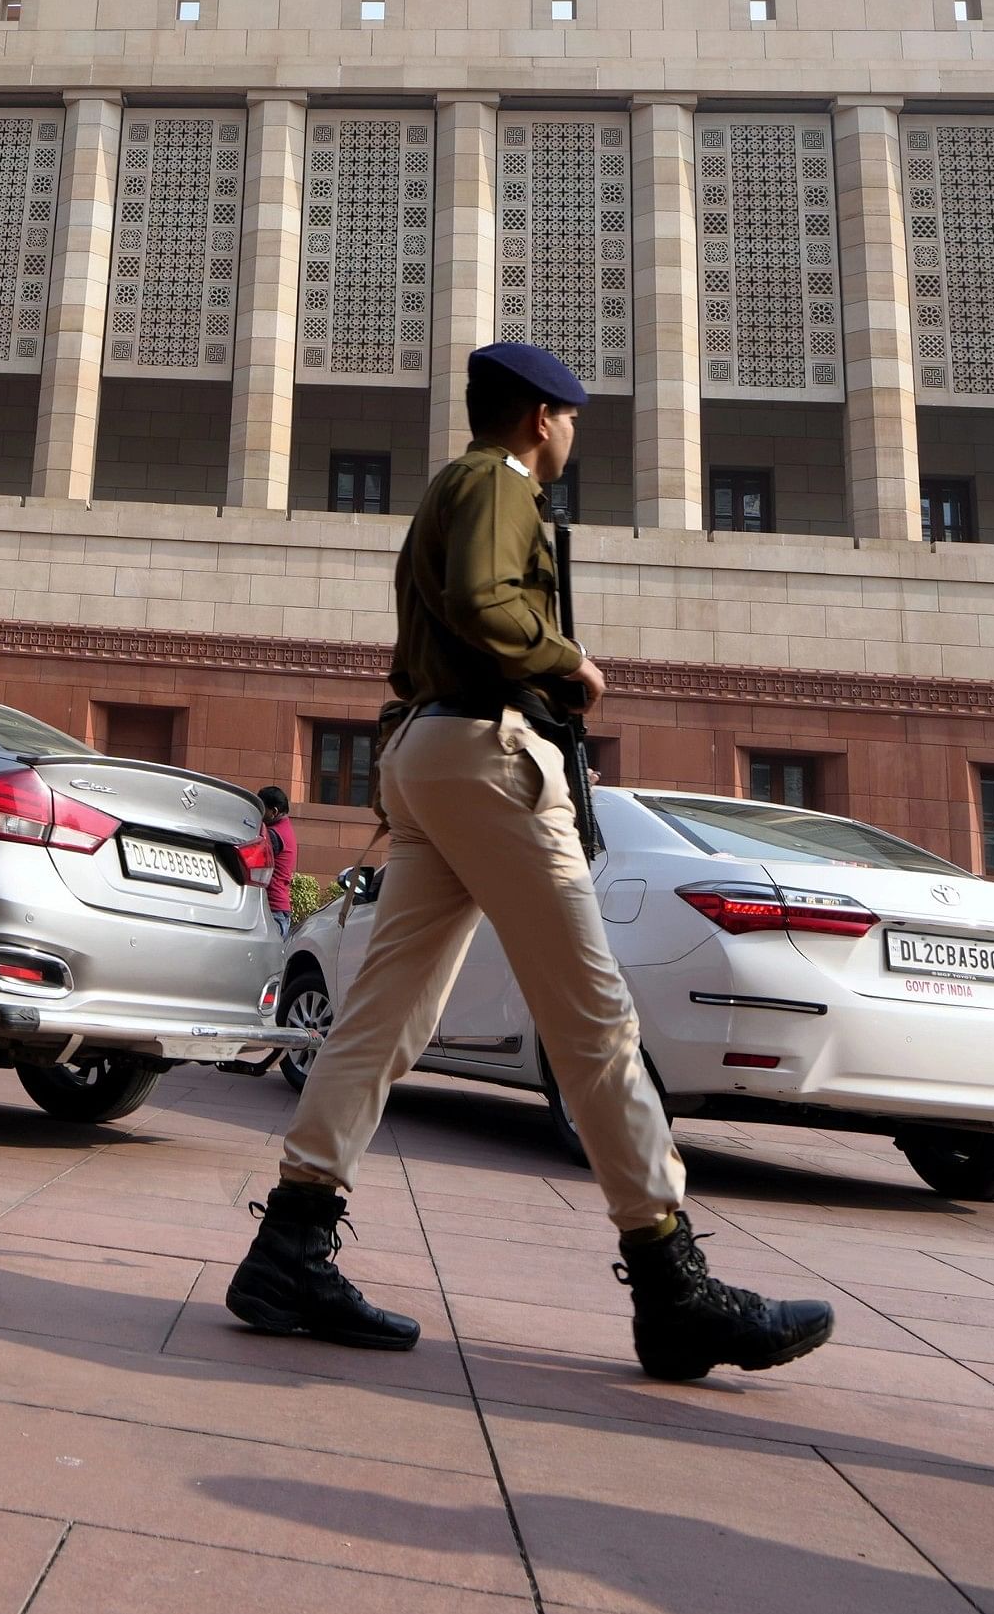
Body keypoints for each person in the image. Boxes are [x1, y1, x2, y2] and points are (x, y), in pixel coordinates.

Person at [228, 341, 831, 1382]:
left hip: (426, 753)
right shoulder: (498, 482)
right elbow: (480, 599)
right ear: (539, 417)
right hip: (487, 753)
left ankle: (289, 1241)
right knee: (594, 1017)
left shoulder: (450, 485)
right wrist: (571, 663)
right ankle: (669, 1277)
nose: (570, 436)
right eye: (571, 419)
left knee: (384, 1013)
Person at [254, 785, 297, 937]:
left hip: (272, 911)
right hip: (279, 910)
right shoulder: (286, 829)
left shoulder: (273, 835)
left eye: (261, 808)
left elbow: (252, 861)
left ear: (274, 812)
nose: (258, 813)